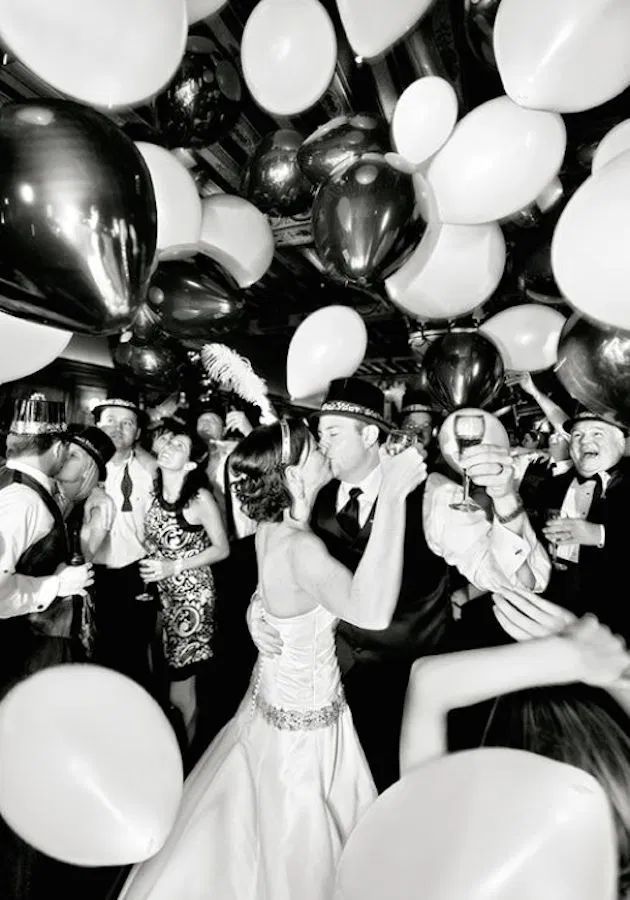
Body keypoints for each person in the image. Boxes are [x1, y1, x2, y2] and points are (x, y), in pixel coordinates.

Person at [117, 417, 426, 900]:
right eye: (313, 445)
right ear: (293, 475)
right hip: (303, 728)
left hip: (275, 698)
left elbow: (271, 586)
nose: (324, 448)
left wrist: (256, 608)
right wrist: (395, 495)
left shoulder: (273, 528)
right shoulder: (301, 548)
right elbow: (372, 610)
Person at [399, 615, 630, 898]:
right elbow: (429, 685)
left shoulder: (456, 864)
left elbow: (429, 685)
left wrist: (578, 659)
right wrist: (609, 671)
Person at [139, 416, 229, 746]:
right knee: (159, 670)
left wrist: (173, 565)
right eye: (168, 441)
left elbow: (222, 549)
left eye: (180, 445)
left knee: (181, 681)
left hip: (192, 597)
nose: (169, 447)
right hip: (163, 593)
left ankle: (185, 754)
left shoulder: (199, 499)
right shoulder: (154, 485)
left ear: (191, 463)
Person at [516, 411, 630, 641]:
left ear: (620, 442)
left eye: (597, 433)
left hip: (613, 616)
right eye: (577, 435)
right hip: (555, 606)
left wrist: (599, 534)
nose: (585, 440)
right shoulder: (553, 485)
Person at [19, 425, 116, 672]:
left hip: (55, 617)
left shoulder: (98, 505)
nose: (62, 457)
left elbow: (79, 561)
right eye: (64, 450)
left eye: (73, 455)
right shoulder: (41, 489)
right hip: (21, 604)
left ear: (88, 470)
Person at [91, 398, 158, 692]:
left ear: (138, 432)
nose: (118, 428)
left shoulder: (152, 471)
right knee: (93, 653)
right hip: (91, 573)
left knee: (134, 655)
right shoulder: (78, 468)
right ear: (96, 425)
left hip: (136, 572)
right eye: (110, 420)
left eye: (127, 423)